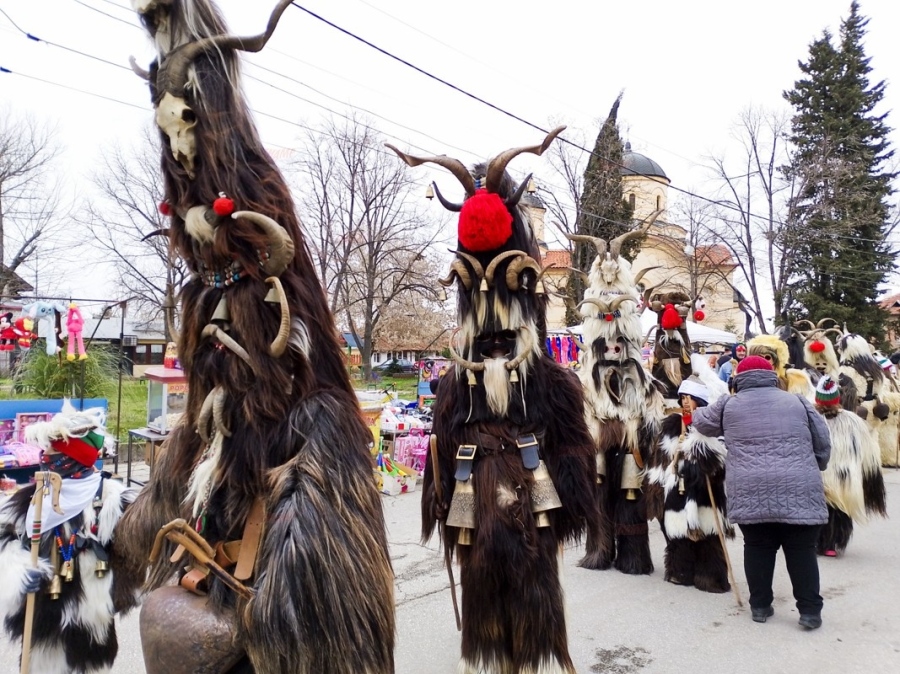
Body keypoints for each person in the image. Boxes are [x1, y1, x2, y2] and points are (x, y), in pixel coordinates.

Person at [692, 355, 831, 629]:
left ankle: (760, 606)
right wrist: (818, 464)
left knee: (757, 547)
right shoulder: (798, 401)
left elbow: (701, 423)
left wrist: (714, 398)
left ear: (738, 380)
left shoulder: (729, 404)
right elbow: (822, 440)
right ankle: (810, 612)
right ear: (772, 376)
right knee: (801, 550)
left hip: (749, 488)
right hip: (799, 486)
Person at [651, 378, 732, 592]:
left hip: (705, 490)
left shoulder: (713, 426)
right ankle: (681, 572)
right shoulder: (672, 425)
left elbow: (720, 459)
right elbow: (662, 457)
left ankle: (710, 576)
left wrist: (700, 449)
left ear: (700, 400)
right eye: (682, 398)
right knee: (678, 533)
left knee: (708, 533)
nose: (685, 402)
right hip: (678, 487)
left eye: (689, 398)